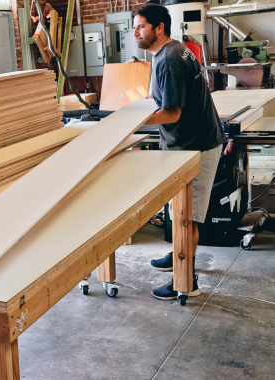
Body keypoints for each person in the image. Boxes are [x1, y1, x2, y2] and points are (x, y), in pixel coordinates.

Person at [132, 4, 227, 300]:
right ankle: (178, 255)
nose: (136, 32)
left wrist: (133, 121)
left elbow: (171, 113)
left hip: (198, 146)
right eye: (135, 27)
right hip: (183, 145)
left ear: (159, 28)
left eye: (141, 26)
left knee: (188, 217)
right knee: (178, 209)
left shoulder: (170, 59)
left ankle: (186, 281)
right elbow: (157, 98)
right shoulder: (167, 52)